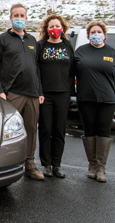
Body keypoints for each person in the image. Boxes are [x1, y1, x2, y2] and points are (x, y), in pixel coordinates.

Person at [0, 3, 45, 180]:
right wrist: (0, 91)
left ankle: (30, 165)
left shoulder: (32, 41)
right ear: (11, 18)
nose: (19, 18)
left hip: (33, 94)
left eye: (22, 15)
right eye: (16, 15)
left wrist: (40, 91)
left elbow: (36, 68)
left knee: (31, 130)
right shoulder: (2, 40)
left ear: (26, 18)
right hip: (12, 93)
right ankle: (4, 165)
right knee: (8, 131)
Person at [75, 21, 115, 183]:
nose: (96, 34)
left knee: (103, 132)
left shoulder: (111, 52)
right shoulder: (81, 52)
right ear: (88, 35)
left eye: (99, 32)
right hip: (86, 99)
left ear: (104, 34)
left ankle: (101, 168)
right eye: (92, 32)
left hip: (107, 99)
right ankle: (91, 165)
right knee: (89, 131)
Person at [37, 14, 74, 178]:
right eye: (51, 26)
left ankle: (57, 165)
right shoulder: (41, 46)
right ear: (46, 29)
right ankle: (46, 164)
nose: (54, 29)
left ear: (62, 28)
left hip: (63, 93)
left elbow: (72, 70)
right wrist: (39, 91)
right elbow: (36, 71)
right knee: (45, 129)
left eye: (57, 26)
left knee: (59, 130)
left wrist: (71, 92)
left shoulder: (67, 46)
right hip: (45, 95)